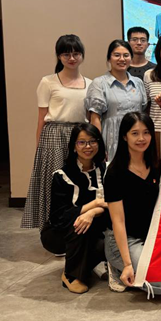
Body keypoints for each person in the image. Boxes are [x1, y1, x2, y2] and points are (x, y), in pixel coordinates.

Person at [22, 35, 92, 230]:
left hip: (80, 135)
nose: (72, 58)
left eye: (76, 53)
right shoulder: (48, 82)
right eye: (66, 54)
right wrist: (39, 148)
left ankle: (77, 226)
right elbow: (41, 118)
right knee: (54, 182)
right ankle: (52, 228)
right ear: (59, 56)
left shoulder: (90, 83)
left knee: (80, 179)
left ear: (82, 55)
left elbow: (90, 116)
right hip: (53, 136)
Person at [104, 112, 161, 297]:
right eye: (135, 133)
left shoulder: (157, 166)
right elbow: (118, 221)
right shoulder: (114, 173)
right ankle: (118, 267)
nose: (141, 138)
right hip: (125, 240)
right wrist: (128, 264)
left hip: (151, 235)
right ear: (124, 136)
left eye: (146, 132)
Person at [40, 124, 109, 294]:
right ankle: (71, 275)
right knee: (79, 223)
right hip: (59, 233)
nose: (88, 146)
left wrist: (92, 212)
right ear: (74, 146)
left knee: (107, 241)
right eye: (82, 142)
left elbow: (112, 204)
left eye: (92, 141)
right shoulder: (61, 175)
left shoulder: (106, 170)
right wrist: (94, 204)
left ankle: (86, 265)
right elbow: (59, 217)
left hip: (94, 227)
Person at [85, 40, 147, 162]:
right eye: (117, 55)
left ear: (131, 58)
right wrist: (98, 145)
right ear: (109, 58)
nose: (122, 59)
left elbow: (143, 112)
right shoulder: (99, 83)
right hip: (112, 138)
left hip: (137, 139)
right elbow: (95, 118)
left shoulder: (138, 82)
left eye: (126, 55)